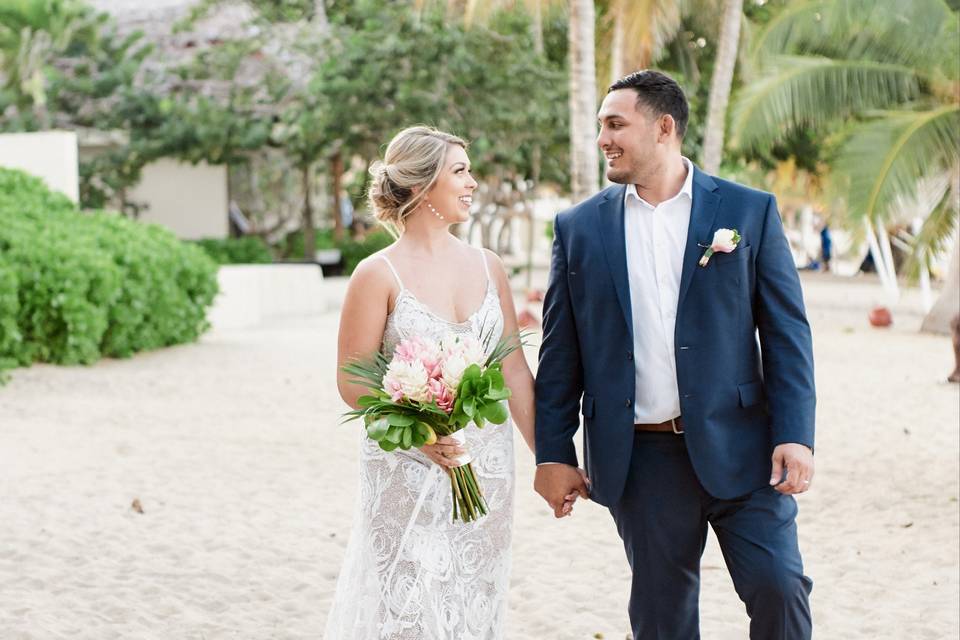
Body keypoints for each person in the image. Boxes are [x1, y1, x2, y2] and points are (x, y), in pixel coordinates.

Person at [534, 70, 816, 639]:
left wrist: (796, 434)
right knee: (663, 617)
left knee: (779, 586)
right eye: (600, 127)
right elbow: (560, 352)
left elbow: (786, 332)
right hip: (642, 457)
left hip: (746, 446)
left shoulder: (747, 210)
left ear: (664, 128)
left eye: (616, 124)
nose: (603, 139)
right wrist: (554, 451)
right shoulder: (579, 227)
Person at [327, 125, 576, 639]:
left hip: (486, 468)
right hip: (408, 466)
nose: (473, 182)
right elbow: (352, 379)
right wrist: (422, 430)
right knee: (411, 608)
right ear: (420, 185)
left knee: (473, 598)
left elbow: (512, 373)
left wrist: (549, 459)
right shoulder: (376, 274)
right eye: (460, 171)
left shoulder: (490, 267)